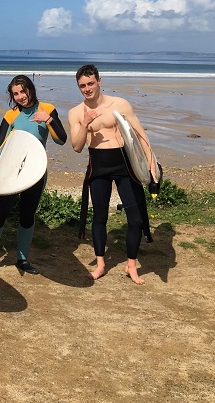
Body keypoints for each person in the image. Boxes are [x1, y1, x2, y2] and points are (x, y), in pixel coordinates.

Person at [67, 64, 157, 285]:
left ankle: (131, 265)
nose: (87, 89)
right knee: (99, 217)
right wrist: (86, 125)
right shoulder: (76, 113)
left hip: (125, 166)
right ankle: (100, 264)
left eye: (90, 83)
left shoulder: (120, 104)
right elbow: (77, 147)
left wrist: (152, 167)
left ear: (99, 81)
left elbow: (140, 135)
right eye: (82, 86)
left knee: (135, 218)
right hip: (98, 167)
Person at [0, 75, 67, 276]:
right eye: (15, 94)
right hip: (10, 171)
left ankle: (23, 259)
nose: (20, 97)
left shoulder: (47, 109)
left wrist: (49, 120)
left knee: (27, 215)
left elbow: (61, 139)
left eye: (23, 91)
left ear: (30, 89)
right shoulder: (11, 115)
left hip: (35, 173)